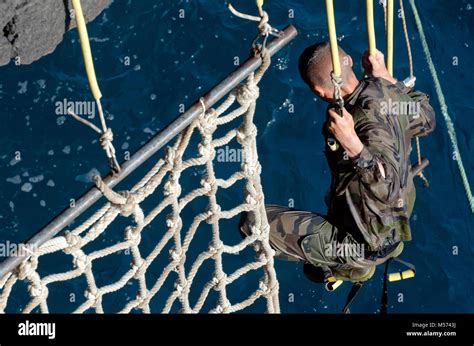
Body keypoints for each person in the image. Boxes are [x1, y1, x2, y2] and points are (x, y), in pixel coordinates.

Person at [239, 42, 436, 284]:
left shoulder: (358, 125)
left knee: (251, 224)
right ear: (350, 60)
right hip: (396, 227)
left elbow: (386, 188)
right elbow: (427, 119)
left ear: (319, 92)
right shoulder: (384, 93)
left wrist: (352, 143)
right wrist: (386, 78)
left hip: (363, 243)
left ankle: (351, 267)